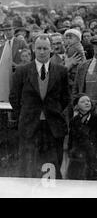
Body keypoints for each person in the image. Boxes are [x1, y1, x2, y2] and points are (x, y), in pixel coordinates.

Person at [9, 34, 70, 178]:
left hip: (53, 125)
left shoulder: (61, 71)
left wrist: (53, 111)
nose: (42, 52)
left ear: (51, 50)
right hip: (29, 125)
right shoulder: (22, 71)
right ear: (33, 49)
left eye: (45, 48)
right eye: (39, 48)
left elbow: (65, 97)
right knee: (28, 165)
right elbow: (14, 97)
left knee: (52, 164)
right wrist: (25, 114)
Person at [67, 94, 97, 180]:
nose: (87, 103)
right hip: (78, 156)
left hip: (93, 154)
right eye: (83, 102)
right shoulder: (74, 120)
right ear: (77, 106)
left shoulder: (95, 119)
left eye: (88, 101)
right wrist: (70, 151)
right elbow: (71, 139)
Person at [73, 35, 97, 106]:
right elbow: (76, 90)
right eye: (95, 45)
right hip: (86, 110)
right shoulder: (82, 66)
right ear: (93, 47)